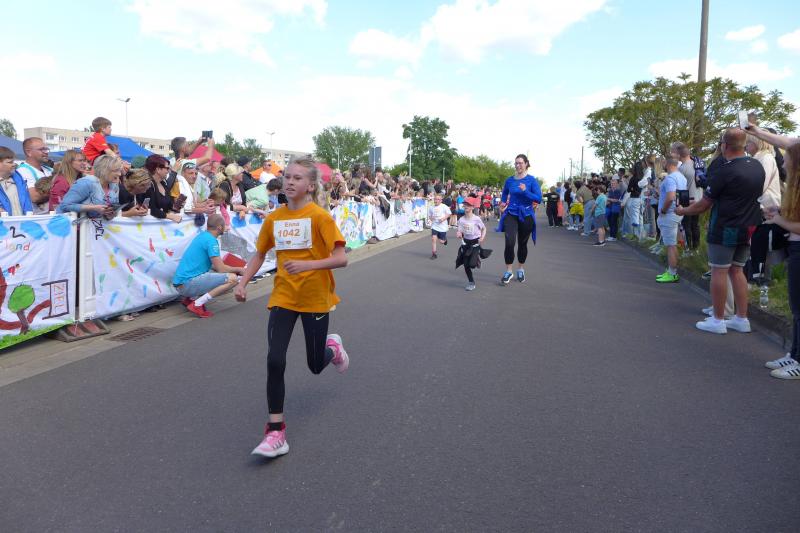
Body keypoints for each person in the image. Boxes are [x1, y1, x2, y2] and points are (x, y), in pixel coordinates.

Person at [234, 156, 349, 458]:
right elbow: (260, 254)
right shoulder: (275, 218)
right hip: (284, 296)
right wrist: (242, 283)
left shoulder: (319, 217)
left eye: (297, 178)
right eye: (287, 176)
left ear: (310, 186)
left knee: (315, 365)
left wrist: (309, 265)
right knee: (275, 360)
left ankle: (332, 349)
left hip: (315, 297)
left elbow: (341, 258)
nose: (289, 181)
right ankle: (276, 432)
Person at [676, 128, 764, 334]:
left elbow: (703, 204)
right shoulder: (757, 166)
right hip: (749, 226)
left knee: (719, 270)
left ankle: (718, 320)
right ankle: (741, 318)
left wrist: (683, 210)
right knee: (737, 270)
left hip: (725, 226)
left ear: (725, 145)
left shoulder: (724, 171)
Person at [762, 143, 800, 378]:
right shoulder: (794, 188)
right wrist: (780, 211)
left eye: (787, 159)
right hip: (794, 248)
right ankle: (795, 355)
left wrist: (778, 220)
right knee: (796, 308)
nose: (783, 163)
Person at [172, 214, 243, 318]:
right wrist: (239, 270)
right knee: (233, 279)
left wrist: (233, 269)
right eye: (225, 225)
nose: (227, 227)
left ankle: (190, 299)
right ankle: (197, 304)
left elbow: (213, 266)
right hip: (187, 284)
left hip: (181, 283)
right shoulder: (211, 241)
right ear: (219, 227)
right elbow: (221, 268)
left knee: (222, 275)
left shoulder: (203, 236)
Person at [498, 154, 543, 284]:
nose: (518, 165)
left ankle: (520, 269)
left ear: (526, 164)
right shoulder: (510, 180)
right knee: (509, 242)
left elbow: (538, 198)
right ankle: (508, 271)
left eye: (520, 163)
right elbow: (505, 192)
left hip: (526, 214)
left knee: (522, 244)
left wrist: (525, 191)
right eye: (516, 163)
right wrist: (503, 202)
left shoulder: (532, 180)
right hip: (511, 213)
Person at [655, 159, 687, 283]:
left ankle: (672, 273)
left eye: (664, 163)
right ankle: (671, 271)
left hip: (669, 214)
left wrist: (663, 210)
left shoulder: (670, 178)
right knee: (672, 244)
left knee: (670, 245)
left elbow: (670, 197)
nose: (663, 165)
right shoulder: (681, 177)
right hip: (677, 212)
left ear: (668, 164)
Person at [456, 197, 487, 291]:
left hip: (475, 243)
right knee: (466, 264)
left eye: (468, 205)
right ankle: (471, 282)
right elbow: (460, 230)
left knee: (472, 264)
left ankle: (476, 259)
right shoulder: (461, 219)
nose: (466, 206)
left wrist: (482, 238)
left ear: (473, 207)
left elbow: (484, 228)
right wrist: (459, 233)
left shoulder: (476, 219)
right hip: (466, 243)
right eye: (465, 204)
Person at [16, 137, 53, 208]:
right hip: (37, 214)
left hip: (54, 213)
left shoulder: (49, 169)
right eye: (42, 149)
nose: (46, 152)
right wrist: (58, 191)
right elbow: (34, 197)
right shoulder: (22, 171)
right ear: (29, 152)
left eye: (46, 149)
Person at [0, 147, 33, 215]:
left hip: (23, 221)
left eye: (13, 161)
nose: (14, 164)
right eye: (10, 162)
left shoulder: (19, 179)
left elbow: (27, 204)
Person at [428, 194, 451, 259]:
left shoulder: (444, 206)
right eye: (435, 199)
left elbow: (449, 213)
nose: (436, 200)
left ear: (441, 200)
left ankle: (444, 240)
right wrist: (431, 218)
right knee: (433, 239)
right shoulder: (431, 207)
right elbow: (430, 215)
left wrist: (443, 219)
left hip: (442, 226)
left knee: (441, 242)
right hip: (434, 225)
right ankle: (434, 254)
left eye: (438, 199)